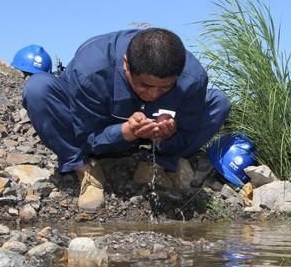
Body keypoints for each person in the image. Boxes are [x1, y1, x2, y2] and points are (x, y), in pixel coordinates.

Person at [22, 28, 231, 213]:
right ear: (126, 65)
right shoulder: (90, 70)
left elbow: (189, 130)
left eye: (165, 88)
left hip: (153, 139)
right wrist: (125, 131)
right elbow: (86, 137)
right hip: (99, 129)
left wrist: (168, 136)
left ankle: (160, 164)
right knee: (38, 89)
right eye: (145, 86)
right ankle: (85, 170)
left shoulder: (192, 78)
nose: (153, 95)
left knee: (218, 102)